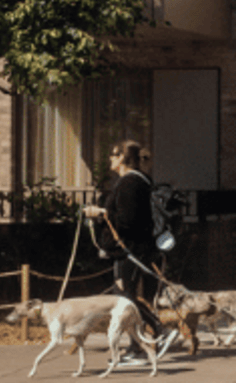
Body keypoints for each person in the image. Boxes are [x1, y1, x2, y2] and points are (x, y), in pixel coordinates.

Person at [80, 140, 167, 361]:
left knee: (124, 300)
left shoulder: (129, 183)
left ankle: (150, 337)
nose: (109, 159)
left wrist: (99, 213)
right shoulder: (141, 180)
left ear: (122, 158)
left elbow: (128, 220)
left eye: (112, 155)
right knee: (126, 298)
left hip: (130, 250)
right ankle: (143, 342)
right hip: (139, 248)